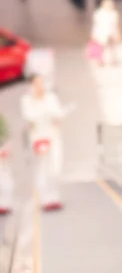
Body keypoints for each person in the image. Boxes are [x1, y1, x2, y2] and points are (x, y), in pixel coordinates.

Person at [21, 75, 72, 211]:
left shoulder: (51, 98)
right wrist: (45, 114)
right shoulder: (27, 100)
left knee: (55, 167)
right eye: (36, 83)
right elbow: (29, 118)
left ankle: (54, 196)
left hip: (53, 136)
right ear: (31, 85)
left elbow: (58, 115)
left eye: (41, 83)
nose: (40, 86)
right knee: (42, 168)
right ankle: (45, 199)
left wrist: (51, 116)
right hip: (37, 138)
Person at [91, 0, 121, 66]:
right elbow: (96, 25)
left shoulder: (114, 14)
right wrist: (94, 34)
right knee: (101, 47)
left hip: (111, 32)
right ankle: (100, 60)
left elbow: (115, 25)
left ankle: (112, 59)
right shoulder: (99, 13)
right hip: (101, 33)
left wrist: (117, 34)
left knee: (111, 47)